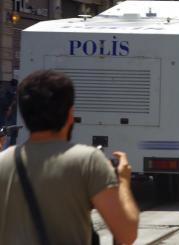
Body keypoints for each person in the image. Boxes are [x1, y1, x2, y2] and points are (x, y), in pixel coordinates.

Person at [0, 70, 139, 245]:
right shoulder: (88, 161)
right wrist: (124, 183)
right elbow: (127, 234)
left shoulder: (3, 162)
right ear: (70, 114)